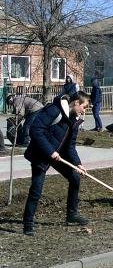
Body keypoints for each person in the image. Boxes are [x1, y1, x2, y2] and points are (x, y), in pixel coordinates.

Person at [22, 92, 91, 236]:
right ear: (76, 102)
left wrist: (77, 163)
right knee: (36, 189)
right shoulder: (54, 110)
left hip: (58, 156)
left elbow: (70, 146)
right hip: (41, 154)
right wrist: (50, 151)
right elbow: (35, 130)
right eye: (84, 107)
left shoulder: (75, 120)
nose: (84, 111)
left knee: (75, 178)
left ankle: (72, 214)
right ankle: (28, 223)